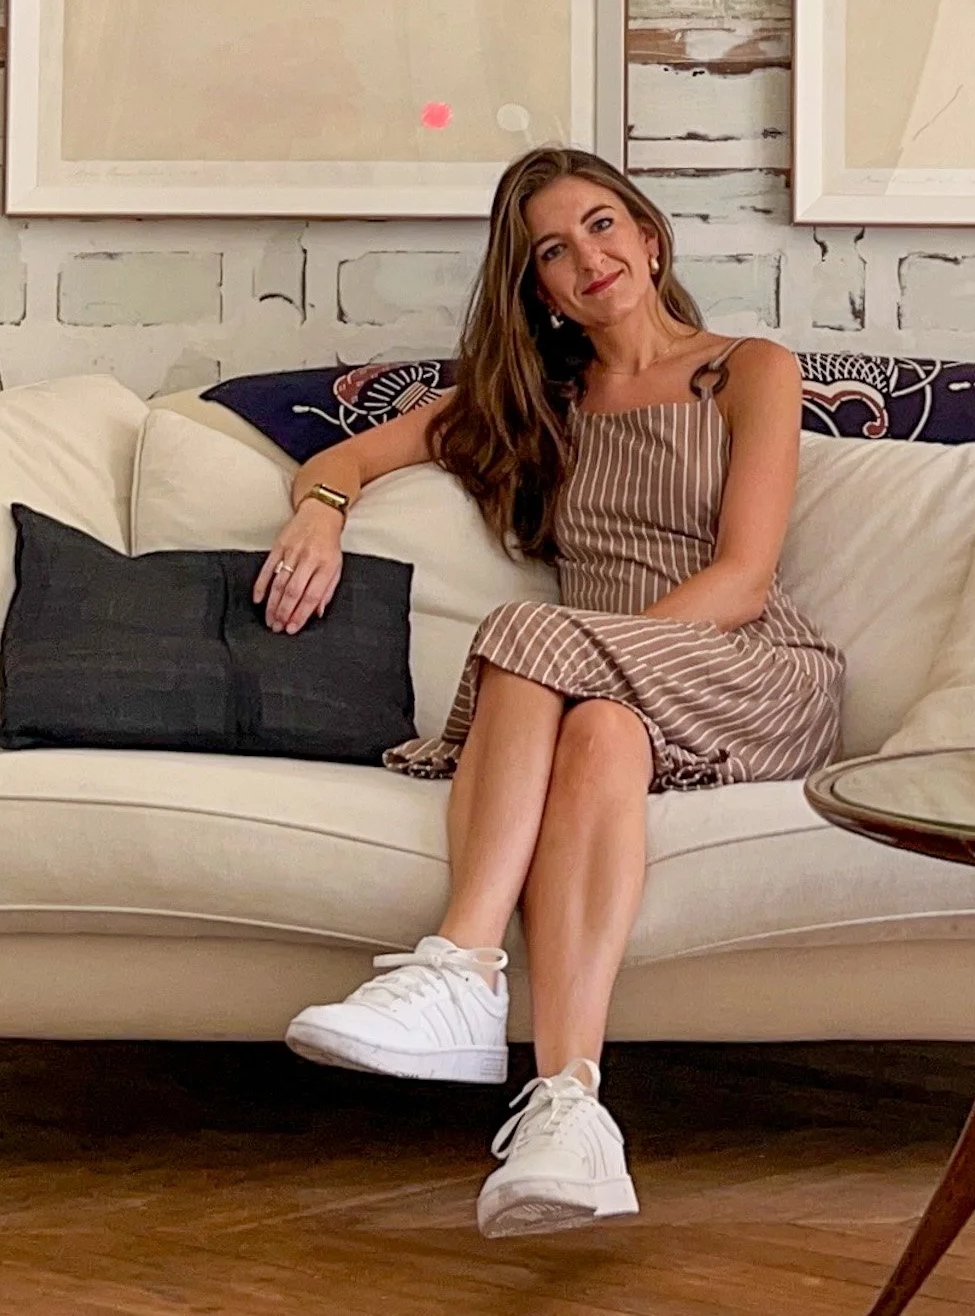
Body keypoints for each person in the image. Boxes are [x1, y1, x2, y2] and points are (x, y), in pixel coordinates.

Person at [255, 146, 842, 1238]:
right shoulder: (538, 399)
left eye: (605, 224)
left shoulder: (748, 367)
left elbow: (744, 575)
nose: (590, 258)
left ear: (651, 237)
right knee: (604, 734)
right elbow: (345, 460)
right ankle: (571, 1110)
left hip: (749, 665)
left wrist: (586, 649)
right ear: (539, 289)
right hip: (616, 695)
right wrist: (320, 512)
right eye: (554, 251)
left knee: (530, 636)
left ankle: (463, 968)